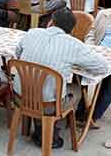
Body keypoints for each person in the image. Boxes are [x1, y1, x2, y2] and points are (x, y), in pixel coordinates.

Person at [15, 8, 109, 148]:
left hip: (19, 97)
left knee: (44, 84)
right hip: (48, 105)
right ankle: (51, 129)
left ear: (51, 22)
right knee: (76, 90)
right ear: (71, 31)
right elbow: (103, 67)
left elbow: (18, 53)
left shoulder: (32, 33)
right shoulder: (73, 44)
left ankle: (40, 127)